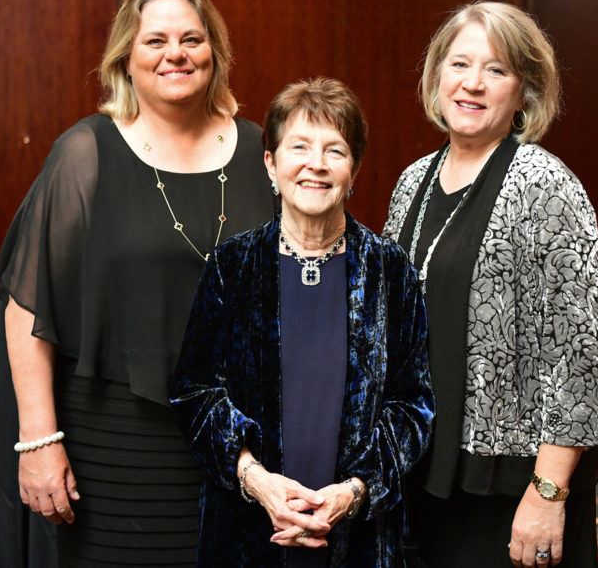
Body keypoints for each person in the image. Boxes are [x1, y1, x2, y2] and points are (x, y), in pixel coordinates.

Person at [0, 0, 274, 567]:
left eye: (191, 38)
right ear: (126, 59)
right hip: (117, 442)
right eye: (155, 41)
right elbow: (26, 305)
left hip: (242, 442)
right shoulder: (86, 153)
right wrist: (39, 441)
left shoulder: (263, 151)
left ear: (216, 52)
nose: (175, 54)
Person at [383, 0, 598, 567]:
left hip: (510, 485)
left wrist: (547, 496)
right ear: (436, 75)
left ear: (524, 92)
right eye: (459, 64)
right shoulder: (412, 181)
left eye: (496, 70)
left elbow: (583, 359)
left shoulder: (546, 185)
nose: (473, 84)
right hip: (425, 471)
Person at [169, 77, 435, 567]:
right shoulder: (233, 265)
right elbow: (194, 392)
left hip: (359, 535)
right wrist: (258, 484)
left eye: (335, 150)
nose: (316, 164)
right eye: (299, 147)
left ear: (353, 170)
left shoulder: (389, 269)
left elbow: (412, 405)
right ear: (271, 164)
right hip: (249, 530)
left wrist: (354, 493)